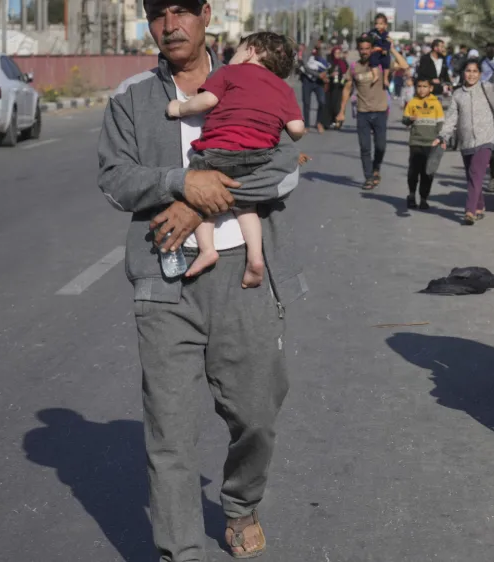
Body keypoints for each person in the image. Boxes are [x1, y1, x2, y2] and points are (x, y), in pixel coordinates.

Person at [97, 0, 300, 559]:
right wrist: (181, 184)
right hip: (163, 280)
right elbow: (115, 178)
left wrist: (203, 203)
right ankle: (179, 550)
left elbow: (285, 170)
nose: (170, 24)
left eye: (183, 10)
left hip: (245, 278)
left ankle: (240, 504)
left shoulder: (255, 78)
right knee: (170, 433)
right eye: (158, 12)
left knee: (257, 412)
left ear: (207, 14)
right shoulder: (133, 97)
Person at [166, 31, 306, 287]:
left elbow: (206, 100)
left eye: (239, 49)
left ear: (251, 50)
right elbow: (297, 129)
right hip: (259, 156)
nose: (234, 55)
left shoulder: (229, 73)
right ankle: (255, 257)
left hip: (218, 151)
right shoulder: (284, 89)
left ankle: (207, 250)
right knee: (246, 207)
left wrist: (179, 108)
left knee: (201, 195)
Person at [434, 54, 494, 225]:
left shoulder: (487, 88)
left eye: (475, 71)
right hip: (466, 141)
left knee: (476, 174)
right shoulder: (458, 94)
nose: (471, 74)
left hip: (485, 139)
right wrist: (443, 135)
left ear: (480, 73)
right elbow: (452, 118)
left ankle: (469, 211)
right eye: (468, 71)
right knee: (472, 177)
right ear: (463, 73)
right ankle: (479, 205)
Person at [336, 33, 410, 190]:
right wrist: (341, 111)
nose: (364, 52)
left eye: (367, 48)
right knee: (364, 147)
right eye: (361, 49)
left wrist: (392, 49)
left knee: (381, 146)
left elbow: (404, 66)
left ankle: (376, 168)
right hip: (363, 113)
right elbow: (347, 89)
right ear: (358, 49)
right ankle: (368, 177)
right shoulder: (354, 67)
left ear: (372, 49)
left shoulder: (381, 63)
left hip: (380, 112)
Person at [402, 77, 446, 210]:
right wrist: (409, 119)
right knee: (414, 171)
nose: (422, 89)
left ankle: (423, 198)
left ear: (430, 88)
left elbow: (440, 123)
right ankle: (411, 195)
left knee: (428, 172)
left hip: (431, 143)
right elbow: (404, 120)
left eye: (425, 86)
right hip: (416, 142)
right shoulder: (412, 102)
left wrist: (441, 139)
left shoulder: (436, 103)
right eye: (419, 86)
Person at [300, 45, 329, 133]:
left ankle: (319, 123)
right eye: (312, 49)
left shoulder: (321, 58)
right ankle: (306, 125)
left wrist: (324, 75)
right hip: (307, 81)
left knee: (322, 102)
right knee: (306, 103)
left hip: (318, 82)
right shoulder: (305, 57)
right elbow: (302, 68)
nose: (313, 50)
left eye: (316, 49)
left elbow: (326, 67)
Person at [322, 45, 349, 131]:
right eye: (336, 53)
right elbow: (325, 74)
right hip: (331, 87)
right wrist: (330, 75)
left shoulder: (343, 63)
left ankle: (338, 121)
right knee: (329, 104)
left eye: (339, 53)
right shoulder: (329, 63)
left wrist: (345, 78)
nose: (337, 55)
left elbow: (348, 74)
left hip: (340, 87)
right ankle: (328, 121)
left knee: (338, 105)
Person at [369, 13, 393, 89]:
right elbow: (367, 37)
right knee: (373, 61)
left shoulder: (386, 35)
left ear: (385, 25)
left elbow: (388, 43)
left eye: (381, 24)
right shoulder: (372, 32)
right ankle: (375, 75)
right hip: (375, 52)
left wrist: (384, 49)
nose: (378, 26)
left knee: (387, 62)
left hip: (383, 52)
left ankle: (385, 78)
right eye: (376, 24)